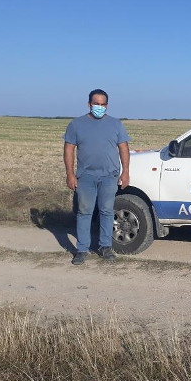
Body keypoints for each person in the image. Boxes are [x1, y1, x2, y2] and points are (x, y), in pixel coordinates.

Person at [63, 89, 130, 265]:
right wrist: (70, 174)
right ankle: (82, 249)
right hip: (86, 177)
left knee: (107, 212)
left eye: (102, 104)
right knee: (84, 212)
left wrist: (125, 172)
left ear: (107, 106)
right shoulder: (76, 124)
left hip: (109, 176)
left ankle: (105, 247)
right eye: (96, 104)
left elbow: (123, 148)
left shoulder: (116, 124)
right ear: (89, 104)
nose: (99, 107)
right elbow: (69, 149)